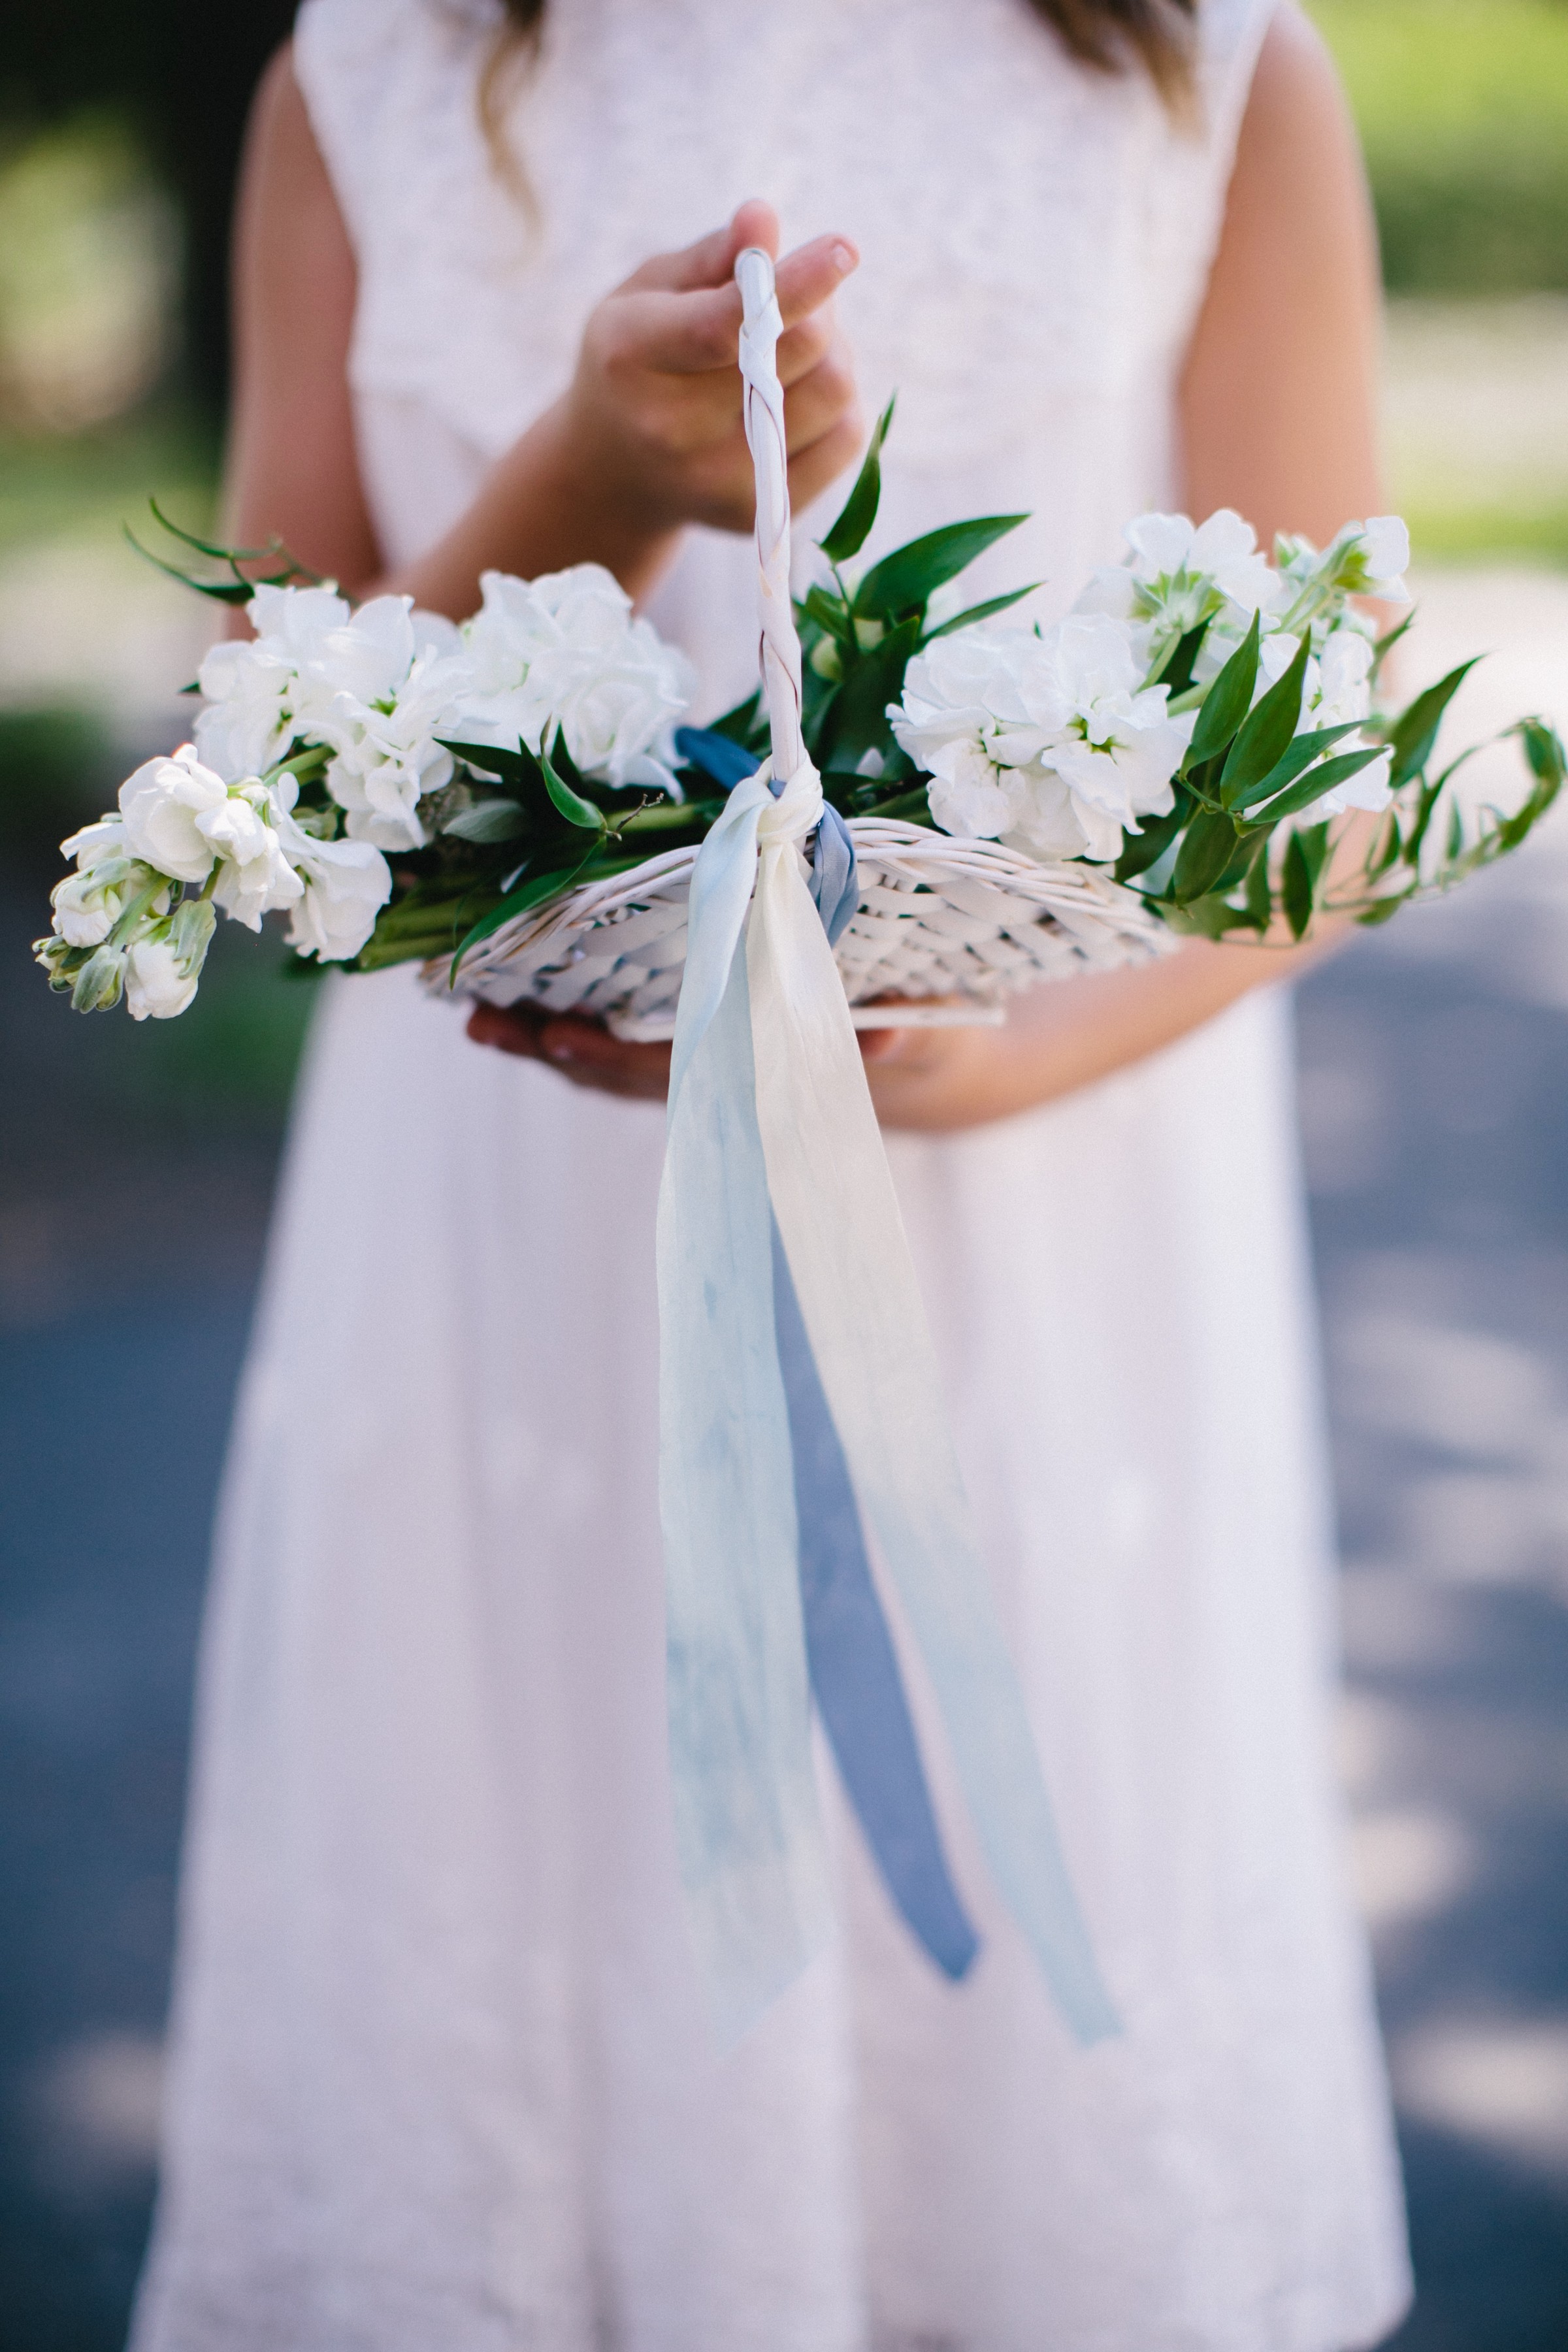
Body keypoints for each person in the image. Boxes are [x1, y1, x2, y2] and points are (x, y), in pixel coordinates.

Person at [131, 1, 1413, 2344]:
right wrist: (603, 474)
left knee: (1018, 2101)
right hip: (513, 1231)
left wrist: (973, 1070)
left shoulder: (1212, 69)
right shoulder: (365, 77)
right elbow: (262, 786)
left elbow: (1336, 798)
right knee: (537, 1908)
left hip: (1036, 1225)